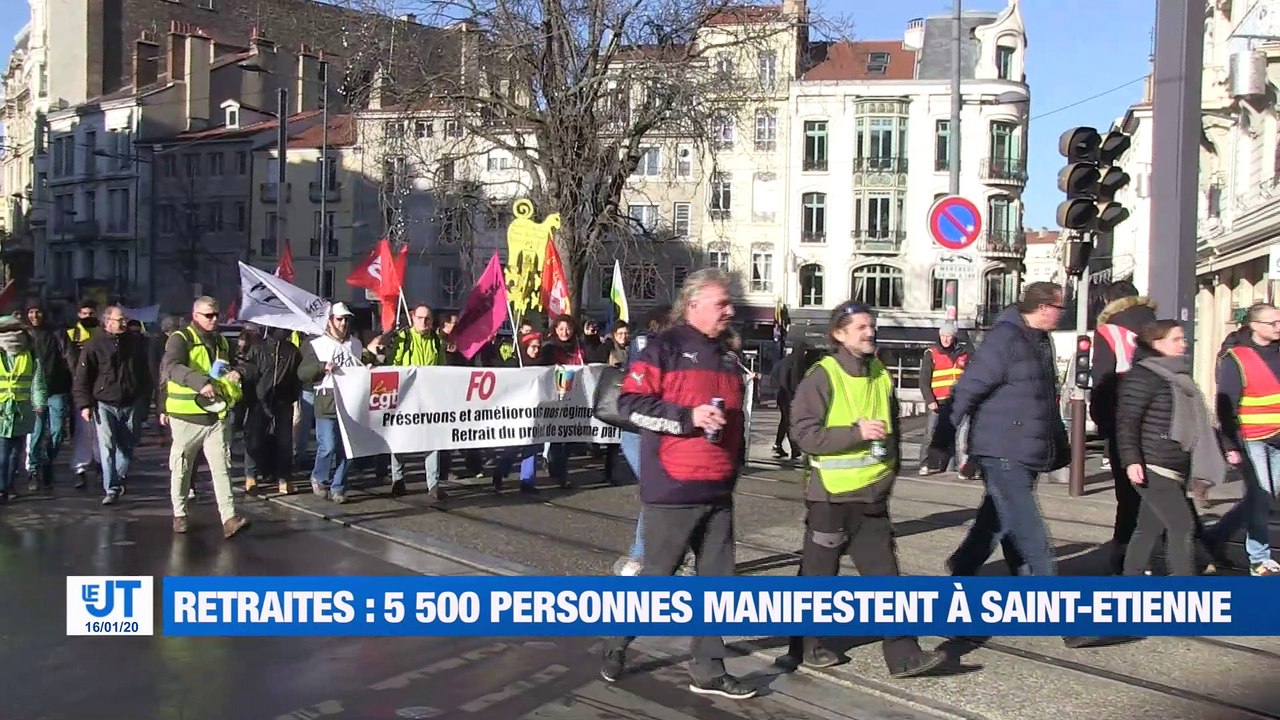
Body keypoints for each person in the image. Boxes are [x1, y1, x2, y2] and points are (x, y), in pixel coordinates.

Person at [600, 268, 756, 700]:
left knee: (718, 584)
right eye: (721, 303)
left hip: (717, 488)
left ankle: (708, 668)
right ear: (693, 305)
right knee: (658, 578)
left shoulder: (727, 356)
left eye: (730, 304)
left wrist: (735, 466)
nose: (730, 310)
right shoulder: (662, 347)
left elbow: (737, 421)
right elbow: (630, 404)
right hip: (673, 485)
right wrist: (687, 418)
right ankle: (617, 640)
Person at [941, 282, 1106, 648]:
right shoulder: (1006, 340)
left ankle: (963, 568)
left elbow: (1044, 401)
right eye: (1059, 308)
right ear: (1043, 307)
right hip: (1001, 449)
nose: (1062, 314)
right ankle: (1066, 623)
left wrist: (1056, 445)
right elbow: (967, 390)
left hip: (1024, 448)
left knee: (995, 524)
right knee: (1032, 535)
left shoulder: (1039, 339)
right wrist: (941, 442)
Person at [787, 300, 947, 677]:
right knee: (819, 578)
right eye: (860, 327)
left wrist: (889, 473)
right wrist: (855, 433)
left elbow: (890, 427)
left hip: (871, 498)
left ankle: (904, 654)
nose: (870, 332)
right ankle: (810, 645)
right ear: (839, 334)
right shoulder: (822, 375)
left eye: (871, 325)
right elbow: (804, 435)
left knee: (885, 578)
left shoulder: (880, 371)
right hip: (830, 497)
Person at [1116, 320, 1226, 576]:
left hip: (1175, 463)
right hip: (1153, 463)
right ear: (1157, 343)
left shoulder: (1179, 376)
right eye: (1176, 339)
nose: (1183, 343)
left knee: (1149, 526)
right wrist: (1132, 460)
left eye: (1183, 338)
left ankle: (1129, 576)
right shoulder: (1143, 375)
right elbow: (1127, 421)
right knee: (1182, 526)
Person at [161, 297, 249, 538]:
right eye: (208, 315)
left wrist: (236, 372)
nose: (214, 319)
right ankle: (179, 514)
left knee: (222, 467)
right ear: (195, 315)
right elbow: (171, 367)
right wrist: (200, 383)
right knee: (182, 465)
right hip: (186, 415)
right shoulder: (180, 339)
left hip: (216, 414)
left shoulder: (221, 340)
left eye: (216, 315)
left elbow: (236, 364)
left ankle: (229, 518)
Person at [1088, 280, 1159, 573]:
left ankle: (1124, 554)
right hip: (1157, 418)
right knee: (1161, 488)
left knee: (1128, 494)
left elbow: (1102, 378)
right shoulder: (1157, 325)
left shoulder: (1109, 330)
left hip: (1123, 418)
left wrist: (1102, 423)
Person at [1205, 302, 1280, 575]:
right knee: (1260, 498)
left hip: (1278, 438)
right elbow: (1226, 406)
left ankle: (1214, 537)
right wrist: (1230, 445)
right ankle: (1259, 559)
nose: (1279, 327)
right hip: (1252, 438)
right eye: (1273, 323)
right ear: (1255, 326)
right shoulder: (1236, 358)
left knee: (1263, 497)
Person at [367, 304, 448, 504]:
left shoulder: (436, 341)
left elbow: (443, 368)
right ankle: (398, 479)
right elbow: (394, 363)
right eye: (420, 318)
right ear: (413, 318)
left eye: (427, 318)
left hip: (429, 397)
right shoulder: (404, 338)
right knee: (401, 438)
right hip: (406, 396)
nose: (424, 322)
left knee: (432, 440)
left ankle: (433, 484)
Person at [73, 305, 153, 505]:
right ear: (107, 322)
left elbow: (145, 373)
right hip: (104, 403)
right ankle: (111, 488)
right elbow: (82, 377)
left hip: (130, 402)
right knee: (107, 447)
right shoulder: (95, 345)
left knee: (127, 446)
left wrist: (146, 399)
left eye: (125, 319)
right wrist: (84, 405)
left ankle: (117, 476)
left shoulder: (135, 343)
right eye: (120, 320)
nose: (124, 323)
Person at [299, 303, 374, 504]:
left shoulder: (356, 345)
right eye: (339, 319)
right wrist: (322, 367)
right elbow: (303, 373)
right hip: (327, 398)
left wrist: (368, 368)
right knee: (328, 445)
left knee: (348, 448)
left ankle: (338, 486)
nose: (343, 323)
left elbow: (362, 366)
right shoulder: (318, 344)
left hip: (351, 400)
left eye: (346, 319)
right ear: (330, 320)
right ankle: (319, 476)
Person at [239, 326, 303, 495]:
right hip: (259, 400)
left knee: (284, 441)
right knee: (254, 438)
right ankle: (251, 475)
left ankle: (284, 478)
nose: (285, 332)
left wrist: (291, 397)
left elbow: (297, 378)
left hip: (283, 401)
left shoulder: (292, 351)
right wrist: (251, 398)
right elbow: (249, 373)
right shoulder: (258, 348)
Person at [22, 302, 71, 491]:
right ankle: (33, 471)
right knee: (35, 433)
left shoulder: (56, 333)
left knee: (58, 432)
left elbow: (69, 357)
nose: (35, 316)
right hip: (34, 390)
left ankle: (47, 461)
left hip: (57, 388)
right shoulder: (24, 335)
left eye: (38, 311)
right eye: (31, 312)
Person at [0, 316, 46, 503]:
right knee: (3, 453)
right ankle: (3, 488)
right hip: (3, 410)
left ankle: (9, 485)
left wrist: (40, 402)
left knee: (15, 454)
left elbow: (37, 381)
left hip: (22, 410)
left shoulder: (30, 355)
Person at [918, 321, 970, 476]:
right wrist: (930, 400)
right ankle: (925, 463)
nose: (946, 339)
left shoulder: (963, 353)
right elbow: (924, 380)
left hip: (957, 401)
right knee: (931, 433)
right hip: (938, 401)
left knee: (958, 435)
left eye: (949, 336)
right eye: (943, 336)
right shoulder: (931, 353)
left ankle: (953, 466)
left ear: (954, 337)